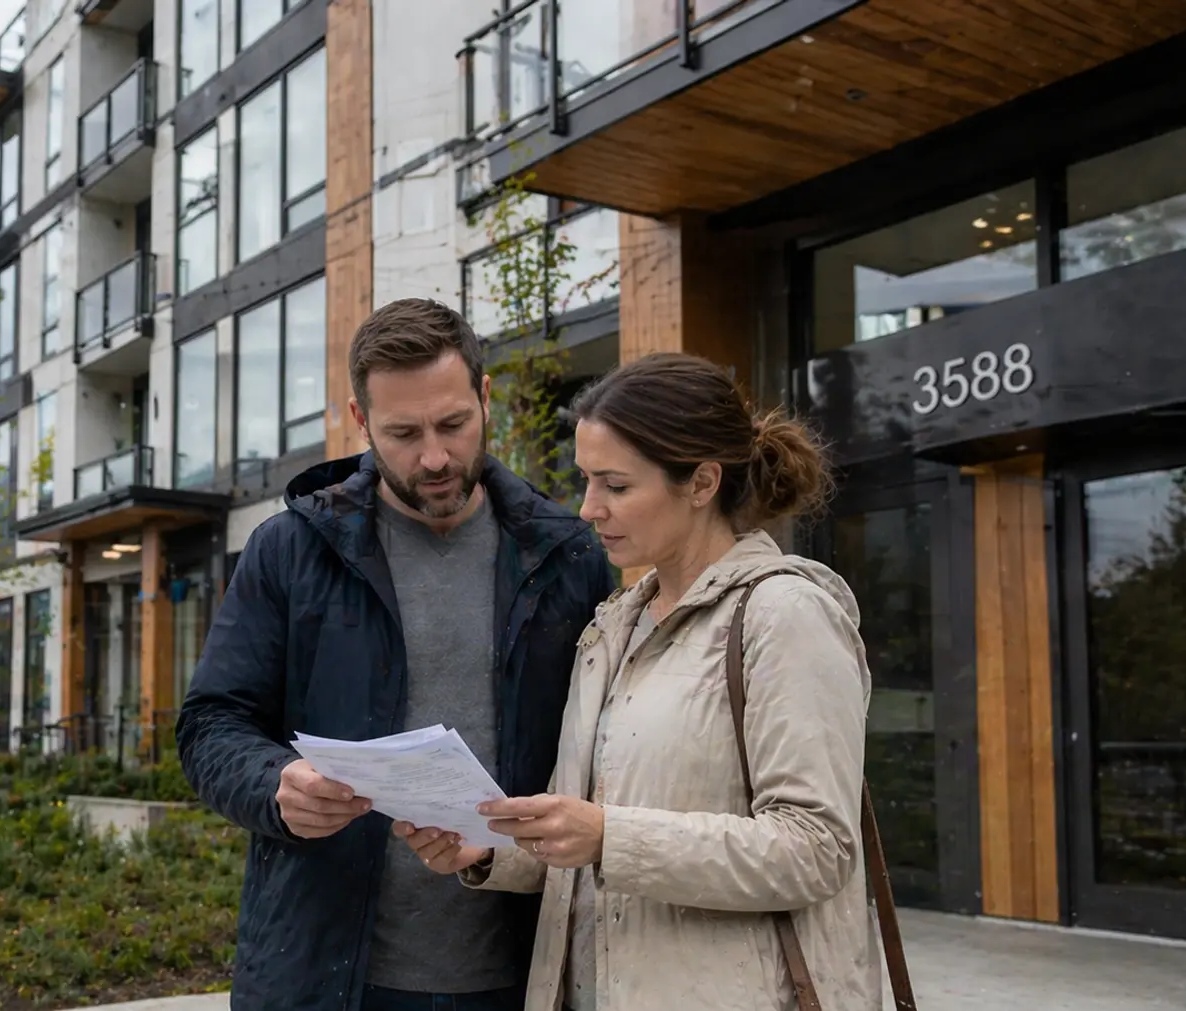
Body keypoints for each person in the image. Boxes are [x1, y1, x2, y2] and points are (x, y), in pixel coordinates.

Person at [396, 351, 882, 1010]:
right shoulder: (612, 627)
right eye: (586, 480)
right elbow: (587, 834)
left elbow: (817, 849)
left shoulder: (785, 614)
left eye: (616, 486)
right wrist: (488, 849)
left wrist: (609, 835)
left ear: (703, 482)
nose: (589, 508)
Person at [177, 298, 614, 1011]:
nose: (434, 456)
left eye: (453, 424)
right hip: (326, 975)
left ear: (485, 397)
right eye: (403, 433)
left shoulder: (568, 555)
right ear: (359, 422)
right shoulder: (290, 551)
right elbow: (209, 724)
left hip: (524, 972)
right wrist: (275, 783)